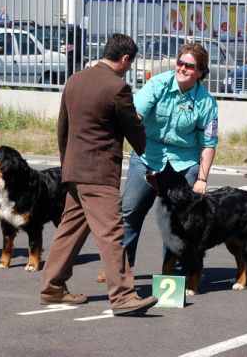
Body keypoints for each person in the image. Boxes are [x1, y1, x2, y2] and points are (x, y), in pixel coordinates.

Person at [40, 33, 158, 316]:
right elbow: (133, 131)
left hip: (74, 169)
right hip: (99, 172)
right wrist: (141, 134)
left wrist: (66, 165)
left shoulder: (75, 80)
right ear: (126, 58)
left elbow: (63, 129)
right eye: (130, 63)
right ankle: (123, 296)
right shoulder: (117, 87)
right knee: (111, 233)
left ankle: (52, 287)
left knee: (69, 231)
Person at [102, 43, 219, 280]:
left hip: (183, 162)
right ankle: (121, 268)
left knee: (179, 221)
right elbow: (136, 114)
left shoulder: (207, 102)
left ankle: (173, 274)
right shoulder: (159, 84)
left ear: (200, 72)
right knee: (129, 212)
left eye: (189, 66)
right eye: (180, 63)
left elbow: (208, 144)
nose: (182, 68)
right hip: (148, 155)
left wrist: (202, 178)